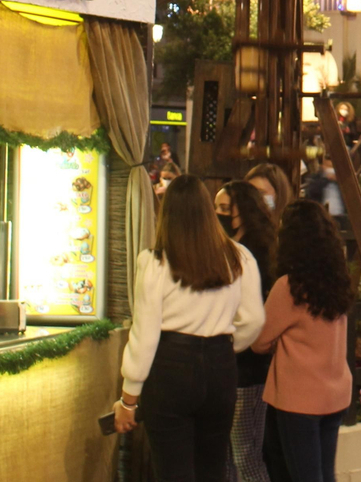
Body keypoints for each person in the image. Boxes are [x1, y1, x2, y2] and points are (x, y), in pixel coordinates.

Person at [114, 175, 265, 482]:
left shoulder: (155, 263)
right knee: (212, 469)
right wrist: (225, 346)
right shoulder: (239, 257)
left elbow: (145, 336)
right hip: (221, 367)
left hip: (171, 369)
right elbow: (254, 320)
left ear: (166, 214)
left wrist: (128, 399)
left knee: (173, 472)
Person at [253, 199, 354, 482]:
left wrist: (281, 342)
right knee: (324, 474)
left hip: (298, 401)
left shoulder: (289, 287)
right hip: (334, 395)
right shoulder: (338, 280)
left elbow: (259, 341)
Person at [215, 180, 277, 482]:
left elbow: (255, 319)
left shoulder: (257, 256)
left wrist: (228, 345)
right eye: (215, 208)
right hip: (227, 370)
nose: (218, 215)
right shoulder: (224, 251)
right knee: (225, 458)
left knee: (245, 456)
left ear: (245, 212)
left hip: (248, 371)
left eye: (225, 209)